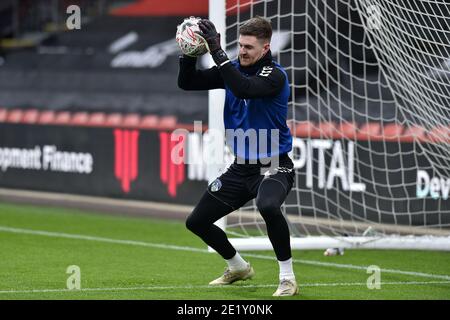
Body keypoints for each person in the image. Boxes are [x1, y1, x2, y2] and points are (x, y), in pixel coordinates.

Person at [177, 16, 298, 297]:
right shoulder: (230, 70)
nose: (242, 51)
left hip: (274, 165)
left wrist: (217, 51)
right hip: (241, 168)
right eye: (241, 45)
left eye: (249, 47)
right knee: (197, 222)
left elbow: (246, 88)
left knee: (268, 206)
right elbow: (187, 82)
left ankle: (288, 277)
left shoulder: (275, 75)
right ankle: (238, 267)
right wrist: (189, 52)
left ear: (265, 48)